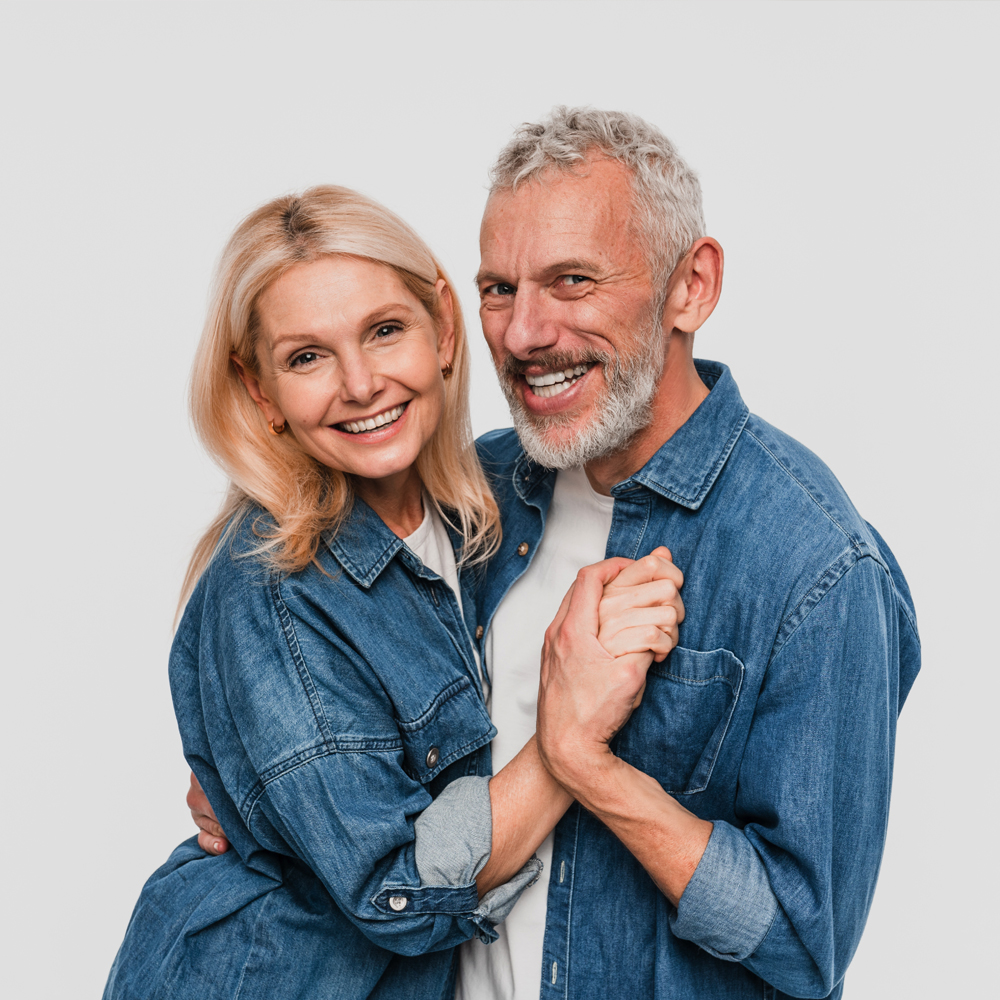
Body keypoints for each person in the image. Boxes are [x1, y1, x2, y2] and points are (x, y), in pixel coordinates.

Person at [190, 108, 920, 1000]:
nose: (526, 333)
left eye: (572, 280)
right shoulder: (479, 495)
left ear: (691, 286)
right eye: (501, 287)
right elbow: (351, 743)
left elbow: (806, 943)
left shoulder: (814, 566)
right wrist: (254, 783)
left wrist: (585, 764)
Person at [104, 185, 686, 1000]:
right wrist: (569, 739)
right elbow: (397, 887)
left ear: (443, 327)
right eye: (306, 357)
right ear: (259, 390)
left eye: (384, 331)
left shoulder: (490, 503)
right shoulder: (274, 590)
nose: (360, 383)